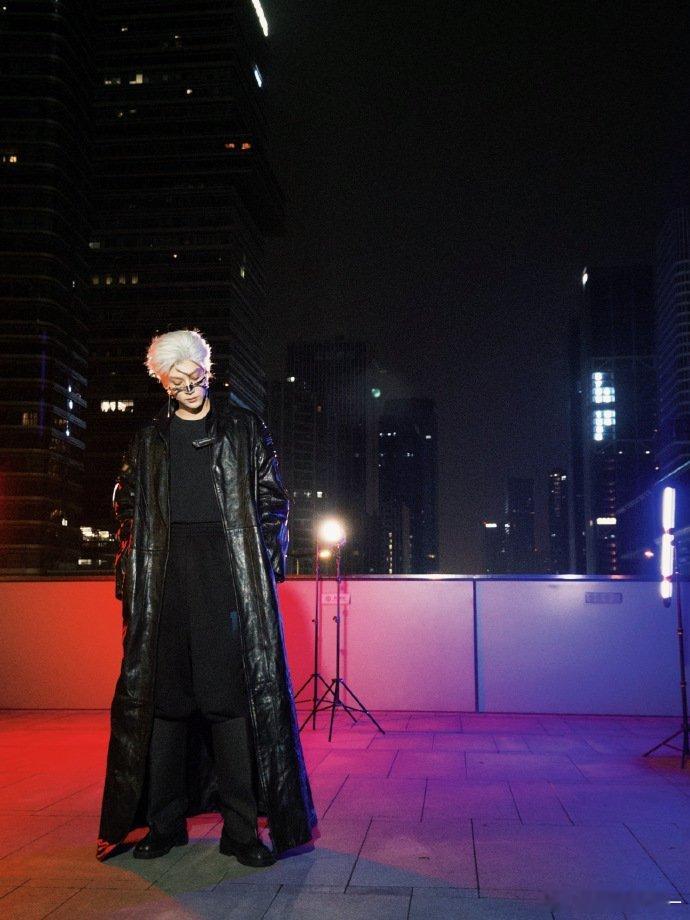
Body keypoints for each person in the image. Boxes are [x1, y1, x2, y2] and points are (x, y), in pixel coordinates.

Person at [96, 328, 316, 864]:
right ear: (163, 383)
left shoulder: (243, 429)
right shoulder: (149, 439)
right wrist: (132, 574)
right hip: (165, 580)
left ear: (206, 369)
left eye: (195, 375)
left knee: (228, 703)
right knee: (165, 706)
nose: (190, 387)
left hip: (226, 577)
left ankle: (241, 831)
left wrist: (261, 569)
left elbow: (273, 503)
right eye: (178, 381)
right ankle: (164, 826)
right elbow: (127, 508)